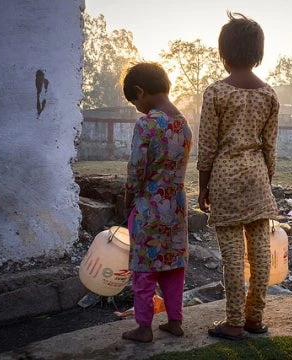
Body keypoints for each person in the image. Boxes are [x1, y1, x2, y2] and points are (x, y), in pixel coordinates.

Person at [197, 12, 279, 340]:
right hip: (257, 176)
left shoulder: (216, 92)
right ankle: (255, 318)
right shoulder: (269, 94)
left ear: (224, 52)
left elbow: (207, 145)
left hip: (225, 179)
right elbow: (270, 147)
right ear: (258, 52)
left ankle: (233, 322)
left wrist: (203, 187)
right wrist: (266, 180)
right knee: (259, 251)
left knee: (232, 255)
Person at [121, 62, 192, 342]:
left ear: (141, 91)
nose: (137, 108)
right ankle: (175, 321)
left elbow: (137, 169)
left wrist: (128, 199)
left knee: (144, 269)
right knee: (174, 266)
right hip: (176, 205)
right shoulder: (184, 124)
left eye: (135, 101)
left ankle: (143, 327)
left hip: (149, 206)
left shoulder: (147, 123)